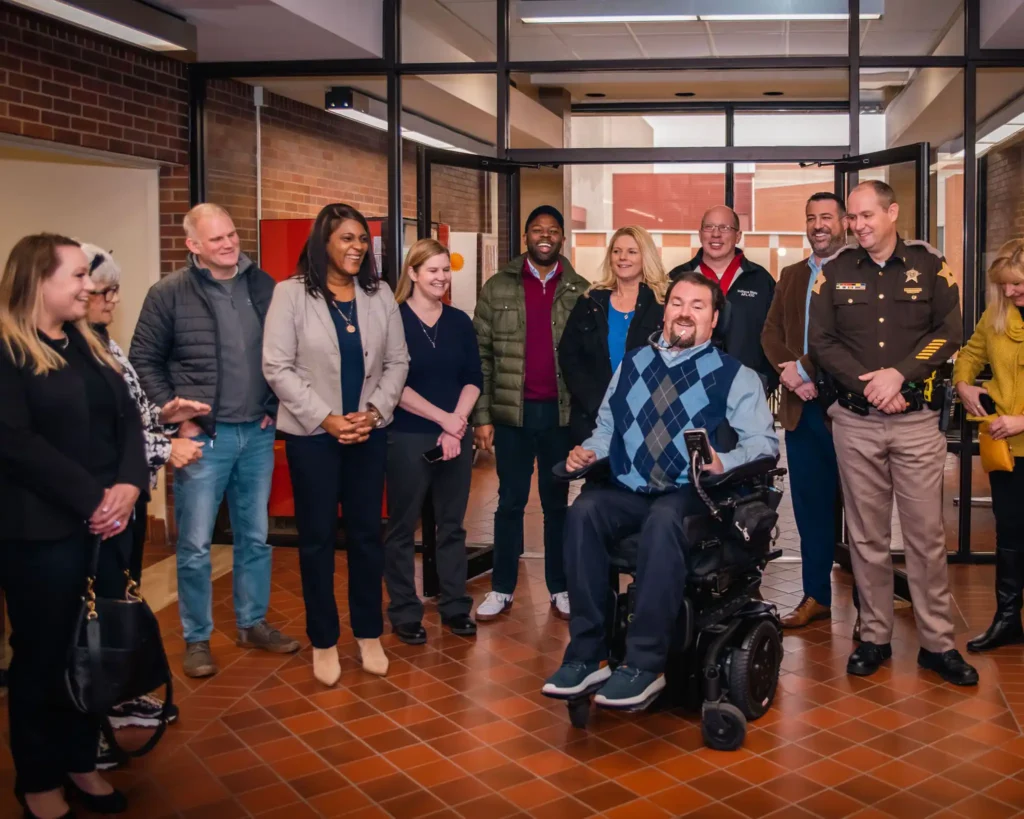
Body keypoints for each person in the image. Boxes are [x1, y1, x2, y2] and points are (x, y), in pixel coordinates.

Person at [541, 271, 778, 707]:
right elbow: (607, 428)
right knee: (584, 512)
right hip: (632, 488)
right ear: (665, 310)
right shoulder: (632, 364)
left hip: (694, 494)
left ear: (713, 319)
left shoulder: (735, 376)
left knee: (665, 518)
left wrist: (723, 462)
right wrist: (589, 453)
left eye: (697, 306)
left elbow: (764, 445)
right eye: (677, 303)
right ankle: (587, 656)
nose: (685, 313)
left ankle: (644, 665)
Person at [0, 234, 150, 819]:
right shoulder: (8, 350)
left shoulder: (88, 341)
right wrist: (94, 498)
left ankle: (81, 760)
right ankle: (38, 780)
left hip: (106, 527)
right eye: (79, 276)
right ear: (39, 281)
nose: (90, 286)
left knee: (93, 649)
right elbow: (16, 443)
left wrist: (130, 484)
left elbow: (129, 418)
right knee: (44, 655)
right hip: (41, 532)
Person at [809, 180, 977, 686]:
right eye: (852, 217)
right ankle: (874, 637)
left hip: (917, 423)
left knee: (925, 537)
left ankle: (937, 644)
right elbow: (821, 342)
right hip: (855, 423)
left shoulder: (930, 265)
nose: (857, 225)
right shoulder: (835, 271)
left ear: (892, 212)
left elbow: (949, 331)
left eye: (866, 215)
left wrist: (899, 375)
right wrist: (872, 384)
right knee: (867, 537)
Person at [130, 203, 300, 680]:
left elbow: (286, 352)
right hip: (204, 439)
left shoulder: (263, 285)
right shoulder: (168, 293)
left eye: (231, 234)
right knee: (196, 545)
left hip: (257, 435)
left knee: (255, 536)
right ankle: (197, 638)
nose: (228, 244)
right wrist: (177, 420)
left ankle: (252, 623)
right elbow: (144, 361)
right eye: (216, 238)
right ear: (193, 245)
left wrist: (272, 408)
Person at [263, 203, 409, 685]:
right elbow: (276, 367)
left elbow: (398, 362)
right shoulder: (290, 294)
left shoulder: (379, 294)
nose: (357, 247)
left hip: (368, 434)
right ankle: (324, 641)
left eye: (362, 239)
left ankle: (368, 634)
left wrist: (373, 413)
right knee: (317, 540)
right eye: (347, 238)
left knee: (367, 537)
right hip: (313, 438)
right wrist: (326, 419)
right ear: (323, 242)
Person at [81, 244, 208, 769]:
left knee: (119, 597)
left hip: (128, 499)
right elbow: (98, 435)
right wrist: (165, 446)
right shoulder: (69, 352)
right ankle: (86, 717)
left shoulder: (104, 342)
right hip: (95, 503)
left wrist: (163, 415)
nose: (113, 300)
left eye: (114, 290)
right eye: (104, 291)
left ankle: (117, 696)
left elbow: (129, 416)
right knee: (89, 613)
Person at [471, 205, 589, 622]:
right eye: (537, 230)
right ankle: (502, 587)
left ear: (562, 239)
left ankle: (560, 586)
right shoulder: (497, 287)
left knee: (557, 505)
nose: (545, 237)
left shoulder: (580, 290)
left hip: (559, 417)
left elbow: (587, 360)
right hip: (511, 416)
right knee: (510, 502)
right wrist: (482, 416)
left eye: (553, 231)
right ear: (526, 237)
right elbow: (481, 355)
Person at [382, 239, 481, 645]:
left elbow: (473, 378)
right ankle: (405, 611)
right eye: (432, 270)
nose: (441, 277)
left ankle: (455, 605)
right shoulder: (394, 320)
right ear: (413, 273)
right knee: (402, 527)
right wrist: (445, 420)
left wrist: (456, 425)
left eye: (445, 270)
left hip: (455, 433)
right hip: (407, 435)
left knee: (452, 525)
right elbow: (393, 385)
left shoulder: (459, 321)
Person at [760, 193, 845, 629]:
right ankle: (816, 595)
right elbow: (770, 333)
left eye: (826, 217)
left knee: (863, 511)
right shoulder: (791, 275)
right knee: (811, 507)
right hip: (801, 408)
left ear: (844, 222)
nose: (818, 225)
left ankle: (872, 603)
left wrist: (806, 368)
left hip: (848, 409)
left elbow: (850, 338)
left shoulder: (860, 272)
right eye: (811, 218)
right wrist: (791, 374)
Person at [953, 238, 1024, 653]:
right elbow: (969, 356)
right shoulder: (996, 315)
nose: (1010, 292)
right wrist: (963, 384)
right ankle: (1007, 620)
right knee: (1009, 532)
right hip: (1006, 451)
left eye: (1017, 284)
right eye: (1004, 285)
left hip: (1016, 432)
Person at [559, 226, 666, 447]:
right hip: (594, 419)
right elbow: (570, 357)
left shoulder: (663, 303)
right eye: (617, 251)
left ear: (646, 256)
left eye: (632, 252)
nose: (622, 257)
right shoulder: (590, 301)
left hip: (649, 419)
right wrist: (597, 404)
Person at [668, 205, 778, 392]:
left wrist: (765, 381)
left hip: (746, 388)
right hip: (686, 386)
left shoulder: (761, 280)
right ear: (700, 234)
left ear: (738, 236)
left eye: (724, 228)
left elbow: (776, 333)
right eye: (709, 227)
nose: (716, 234)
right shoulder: (678, 278)